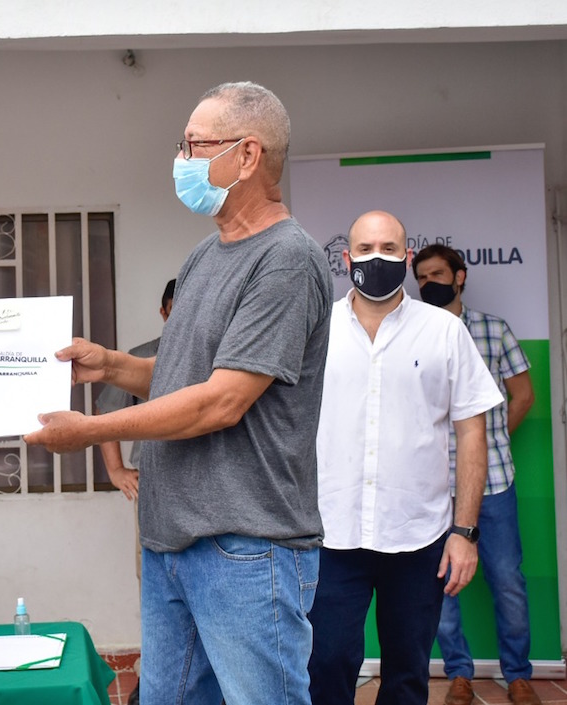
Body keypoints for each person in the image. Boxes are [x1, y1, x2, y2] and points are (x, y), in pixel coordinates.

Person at [26, 81, 332, 705]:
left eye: (195, 146)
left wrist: (89, 432)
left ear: (247, 155)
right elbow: (181, 378)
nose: (181, 161)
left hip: (245, 546)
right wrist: (111, 366)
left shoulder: (287, 259)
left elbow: (221, 401)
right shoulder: (203, 257)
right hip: (172, 540)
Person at [309, 211, 503, 705]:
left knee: (408, 676)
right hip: (331, 534)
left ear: (407, 255)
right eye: (366, 249)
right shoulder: (316, 329)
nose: (377, 258)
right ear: (346, 258)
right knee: (325, 667)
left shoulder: (444, 331)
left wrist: (464, 532)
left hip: (419, 537)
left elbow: (472, 432)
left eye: (390, 248)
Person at [414, 244, 541, 705]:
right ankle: (459, 674)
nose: (429, 284)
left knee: (506, 579)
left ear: (460, 277)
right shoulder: (415, 334)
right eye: (421, 277)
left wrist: (488, 446)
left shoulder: (493, 329)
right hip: (432, 486)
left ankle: (518, 675)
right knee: (441, 585)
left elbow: (523, 396)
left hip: (493, 483)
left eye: (437, 274)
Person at [93, 277, 174, 705]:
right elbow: (105, 411)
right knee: (156, 583)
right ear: (163, 312)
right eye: (174, 310)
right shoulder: (140, 357)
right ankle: (158, 675)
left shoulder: (220, 355)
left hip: (214, 488)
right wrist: (116, 471)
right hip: (155, 486)